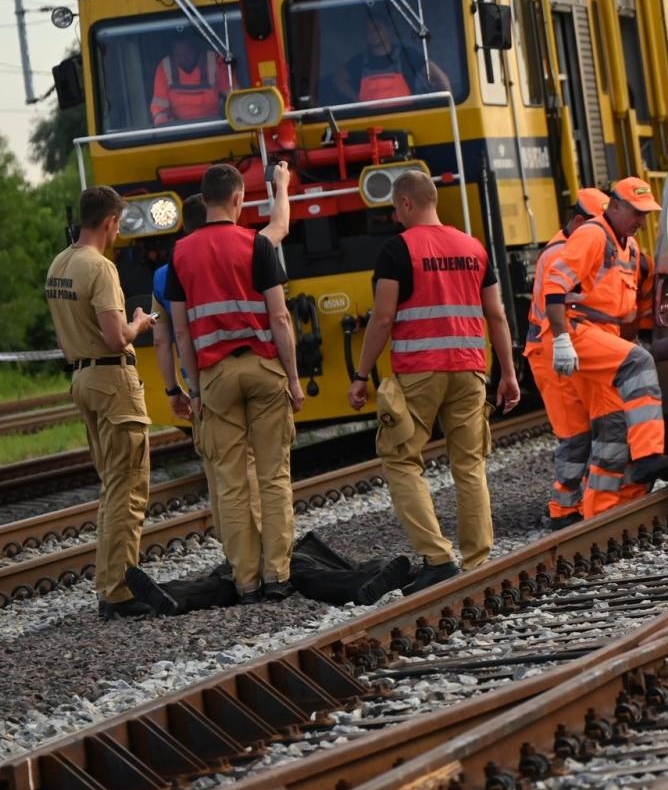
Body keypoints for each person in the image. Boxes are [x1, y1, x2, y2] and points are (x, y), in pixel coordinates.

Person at [348, 172, 521, 588]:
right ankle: (477, 560)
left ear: (407, 203)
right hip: (469, 369)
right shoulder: (473, 248)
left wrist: (360, 375)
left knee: (401, 459)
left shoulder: (398, 249)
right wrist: (509, 373)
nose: (395, 216)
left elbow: (383, 318)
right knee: (469, 464)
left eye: (395, 207)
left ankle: (437, 557)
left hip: (419, 373)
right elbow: (496, 315)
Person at [167, 163, 305, 603]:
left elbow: (181, 331)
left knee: (230, 482)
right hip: (263, 369)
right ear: (238, 198)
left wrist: (194, 388)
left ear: (204, 199)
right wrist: (294, 380)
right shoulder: (256, 244)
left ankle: (246, 582)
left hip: (215, 376)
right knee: (273, 475)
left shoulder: (180, 254)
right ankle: (277, 575)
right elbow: (279, 318)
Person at [45, 186, 157, 620]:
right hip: (112, 381)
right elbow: (116, 337)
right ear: (109, 222)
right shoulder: (100, 267)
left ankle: (111, 584)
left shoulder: (59, 264)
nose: (118, 233)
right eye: (118, 225)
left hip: (82, 377)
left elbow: (64, 335)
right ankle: (118, 591)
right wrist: (139, 322)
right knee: (128, 488)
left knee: (112, 486)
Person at [543, 177, 668, 519]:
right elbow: (554, 286)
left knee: (613, 424)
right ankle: (648, 455)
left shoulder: (628, 246)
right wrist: (561, 339)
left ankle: (598, 511)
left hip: (602, 333)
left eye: (645, 214)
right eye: (636, 212)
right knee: (639, 362)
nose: (641, 220)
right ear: (614, 206)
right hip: (579, 329)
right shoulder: (592, 235)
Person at [524, 188, 611, 527]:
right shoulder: (560, 254)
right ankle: (563, 510)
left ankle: (586, 502)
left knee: (592, 426)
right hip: (552, 352)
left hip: (570, 348)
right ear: (578, 221)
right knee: (575, 432)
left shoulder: (576, 247)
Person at [125, 532, 415, 615]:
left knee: (225, 585)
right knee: (225, 583)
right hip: (270, 567)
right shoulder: (304, 552)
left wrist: (396, 573)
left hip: (279, 566)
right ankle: (167, 596)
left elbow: (376, 564)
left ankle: (171, 596)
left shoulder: (305, 556)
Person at [331, 14, 452, 104]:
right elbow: (338, 78)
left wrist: (447, 105)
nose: (372, 33)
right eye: (368, 30)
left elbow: (439, 76)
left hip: (407, 118)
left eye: (377, 28)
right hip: (370, 121)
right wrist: (355, 99)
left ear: (389, 30)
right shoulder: (359, 61)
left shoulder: (407, 55)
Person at [150, 33, 228, 126]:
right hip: (180, 129)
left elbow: (231, 95)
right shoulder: (164, 67)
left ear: (196, 49)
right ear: (173, 54)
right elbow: (159, 107)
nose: (184, 59)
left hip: (215, 126)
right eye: (179, 55)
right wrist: (160, 119)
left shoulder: (215, 60)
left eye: (188, 54)